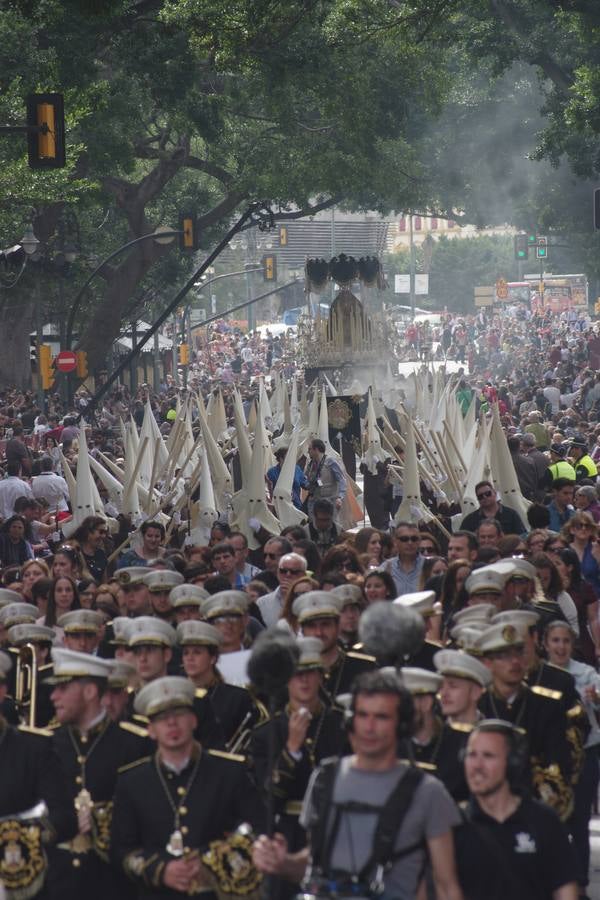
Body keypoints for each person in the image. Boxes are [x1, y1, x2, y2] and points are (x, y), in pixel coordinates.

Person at [252, 669, 464, 900]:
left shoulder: (428, 792)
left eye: (381, 717)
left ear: (402, 725)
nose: (369, 727)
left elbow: (446, 886)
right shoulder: (325, 779)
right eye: (362, 715)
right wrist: (283, 863)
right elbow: (314, 862)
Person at [111, 676, 263, 899]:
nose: (172, 723)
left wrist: (211, 861)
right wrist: (161, 870)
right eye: (162, 718)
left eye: (179, 715)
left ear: (193, 720)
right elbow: (121, 850)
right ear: (151, 730)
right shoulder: (132, 781)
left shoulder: (229, 772)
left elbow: (258, 830)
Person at [47, 647, 147, 900]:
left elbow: (148, 812)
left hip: (113, 882)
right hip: (57, 883)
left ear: (90, 692)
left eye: (63, 688)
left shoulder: (134, 744)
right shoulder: (46, 745)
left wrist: (98, 817)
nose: (53, 696)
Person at [454, 719, 578, 900]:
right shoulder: (454, 824)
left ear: (512, 763)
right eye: (471, 755)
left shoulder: (544, 821)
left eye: (488, 756)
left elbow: (566, 891)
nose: (477, 766)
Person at [544, 620, 600, 896]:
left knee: (579, 821)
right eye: (555, 641)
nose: (561, 646)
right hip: (551, 756)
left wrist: (596, 697)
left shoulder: (585, 673)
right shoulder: (539, 675)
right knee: (549, 820)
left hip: (584, 753)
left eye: (565, 641)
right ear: (546, 644)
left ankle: (580, 883)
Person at [292, 592, 375, 701]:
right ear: (302, 631)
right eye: (311, 626)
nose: (319, 632)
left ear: (337, 626)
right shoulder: (293, 673)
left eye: (325, 624)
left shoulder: (365, 668)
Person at [304, 439, 346, 524]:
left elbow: (341, 480)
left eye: (310, 449)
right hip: (315, 500)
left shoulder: (330, 462)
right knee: (314, 525)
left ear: (316, 449)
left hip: (330, 501)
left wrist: (340, 497)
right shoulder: (311, 464)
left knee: (331, 524)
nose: (308, 452)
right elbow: (307, 479)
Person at [460, 480, 525, 535]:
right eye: (480, 496)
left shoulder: (511, 514)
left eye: (488, 493)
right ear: (478, 500)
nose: (485, 497)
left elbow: (522, 536)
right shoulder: (470, 520)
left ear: (495, 493)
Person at [380, 521, 425, 595]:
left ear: (419, 541)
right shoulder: (385, 568)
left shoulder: (429, 566)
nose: (410, 543)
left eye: (414, 539)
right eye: (404, 539)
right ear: (395, 542)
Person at [267, 446, 309, 510]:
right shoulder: (272, 472)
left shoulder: (296, 469)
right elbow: (268, 491)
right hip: (279, 509)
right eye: (289, 457)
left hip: (296, 507)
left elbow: (306, 485)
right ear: (281, 458)